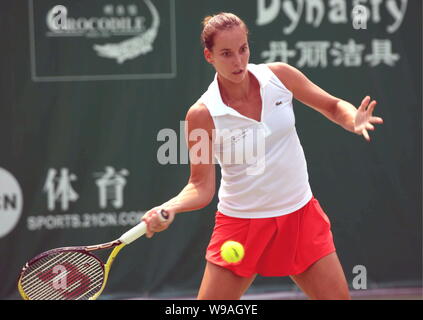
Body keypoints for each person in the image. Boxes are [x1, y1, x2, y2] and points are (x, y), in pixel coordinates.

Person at [141, 12, 383, 300]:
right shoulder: (202, 114)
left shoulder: (279, 76)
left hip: (299, 215)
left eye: (243, 49)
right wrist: (170, 208)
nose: (238, 61)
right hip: (241, 224)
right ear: (209, 56)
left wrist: (352, 118)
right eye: (226, 54)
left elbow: (332, 106)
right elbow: (200, 186)